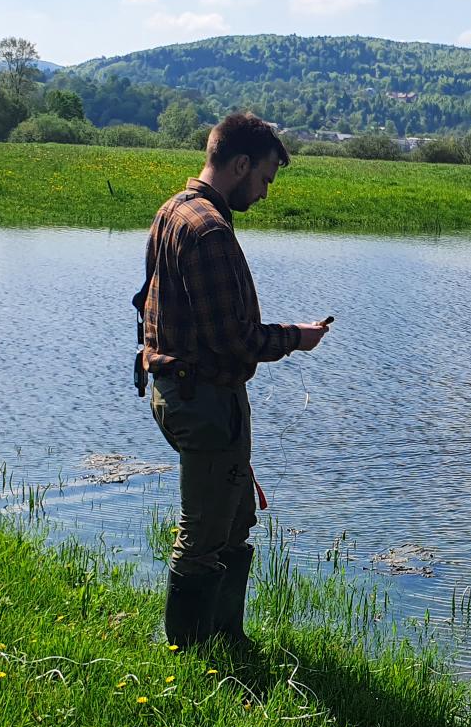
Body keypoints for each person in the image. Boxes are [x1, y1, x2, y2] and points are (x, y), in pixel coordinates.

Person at [134, 113, 330, 646]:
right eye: (265, 178)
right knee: (203, 533)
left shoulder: (174, 210)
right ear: (240, 164)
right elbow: (234, 340)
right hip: (205, 400)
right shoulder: (210, 231)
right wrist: (296, 337)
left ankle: (226, 639)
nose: (265, 193)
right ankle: (192, 652)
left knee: (235, 515)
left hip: (180, 390)